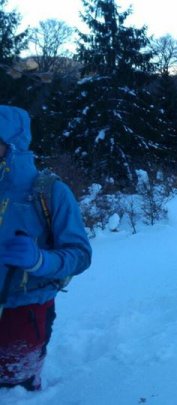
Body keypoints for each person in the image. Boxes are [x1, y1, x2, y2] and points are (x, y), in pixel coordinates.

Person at [0, 105, 92, 391]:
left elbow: (80, 255)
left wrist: (39, 261)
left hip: (24, 309)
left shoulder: (50, 192)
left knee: (13, 388)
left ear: (11, 145)